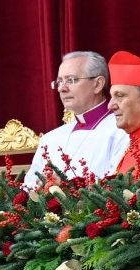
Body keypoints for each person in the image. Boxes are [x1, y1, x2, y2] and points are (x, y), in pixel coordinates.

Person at [23, 51, 129, 188]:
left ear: (98, 84)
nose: (62, 88)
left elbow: (117, 186)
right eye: (59, 81)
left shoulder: (121, 131)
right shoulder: (49, 139)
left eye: (71, 80)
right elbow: (29, 186)